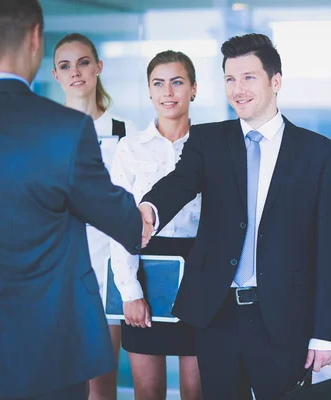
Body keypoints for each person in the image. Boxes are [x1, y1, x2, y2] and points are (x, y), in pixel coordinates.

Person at [138, 33, 331, 399]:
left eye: (248, 77)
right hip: (216, 315)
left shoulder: (319, 154)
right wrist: (148, 210)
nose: (238, 89)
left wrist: (325, 332)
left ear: (275, 81)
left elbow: (329, 251)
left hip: (284, 320)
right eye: (230, 79)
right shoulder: (207, 141)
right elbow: (179, 184)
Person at [0, 1, 150, 399]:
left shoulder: (112, 130)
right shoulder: (63, 129)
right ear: (34, 40)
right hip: (46, 330)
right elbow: (115, 213)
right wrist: (141, 218)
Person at [109, 50, 202, 400]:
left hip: (199, 275)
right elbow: (119, 226)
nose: (168, 92)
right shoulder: (129, 149)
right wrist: (129, 292)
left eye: (177, 82)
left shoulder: (212, 147)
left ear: (193, 88)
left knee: (198, 392)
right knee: (148, 393)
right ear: (149, 91)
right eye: (158, 83)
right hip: (144, 271)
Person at [52, 32, 135, 400]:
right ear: (56, 75)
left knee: (102, 387)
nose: (75, 73)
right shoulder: (45, 131)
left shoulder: (125, 134)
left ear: (98, 67)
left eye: (83, 62)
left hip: (107, 271)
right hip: (56, 273)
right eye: (65, 66)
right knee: (60, 383)